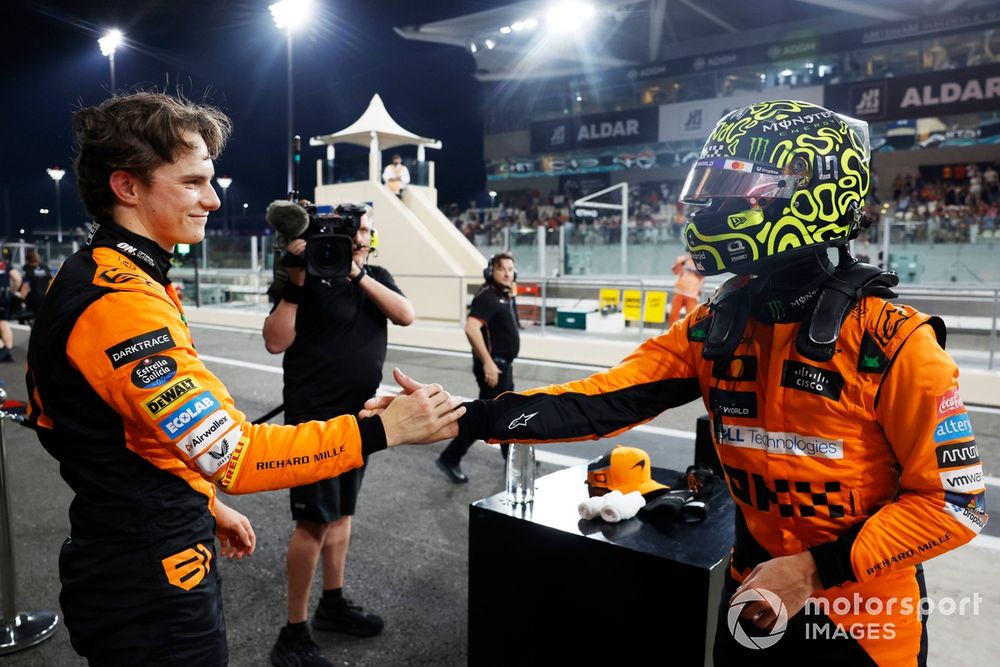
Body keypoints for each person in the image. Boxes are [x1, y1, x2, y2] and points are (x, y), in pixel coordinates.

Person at [370, 101, 988, 665]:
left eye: (730, 189)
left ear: (808, 194)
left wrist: (814, 569)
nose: (707, 208)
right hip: (754, 593)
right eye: (708, 189)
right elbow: (602, 400)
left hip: (865, 621)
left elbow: (957, 504)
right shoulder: (719, 322)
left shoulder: (893, 340)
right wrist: (461, 416)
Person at [24, 92, 463, 667]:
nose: (211, 198)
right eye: (192, 182)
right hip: (149, 581)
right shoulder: (120, 303)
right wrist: (387, 432)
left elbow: (137, 437)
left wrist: (202, 504)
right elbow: (239, 455)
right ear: (127, 187)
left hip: (134, 549)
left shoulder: (102, 271)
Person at [262, 203, 414, 666]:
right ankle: (293, 632)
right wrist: (295, 281)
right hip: (314, 422)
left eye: (365, 231)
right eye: (355, 231)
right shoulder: (302, 276)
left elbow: (405, 315)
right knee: (313, 523)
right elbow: (274, 340)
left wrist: (357, 274)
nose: (361, 238)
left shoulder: (375, 275)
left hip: (359, 418)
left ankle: (332, 603)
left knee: (342, 515)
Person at [435, 252, 520, 484]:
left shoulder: (503, 296)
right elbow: (471, 328)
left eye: (511, 269)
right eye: (501, 268)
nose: (507, 273)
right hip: (494, 368)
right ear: (490, 272)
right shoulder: (487, 296)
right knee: (488, 416)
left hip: (503, 367)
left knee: (504, 413)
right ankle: (450, 457)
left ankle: (511, 457)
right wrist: (488, 362)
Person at [668, 251, 703, 326]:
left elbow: (702, 276)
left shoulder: (700, 261)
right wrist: (683, 262)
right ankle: (672, 334)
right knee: (673, 315)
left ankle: (687, 335)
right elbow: (675, 271)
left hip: (692, 294)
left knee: (691, 318)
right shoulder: (681, 259)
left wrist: (694, 270)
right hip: (679, 292)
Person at [0, 253, 23, 361]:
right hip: (4, 297)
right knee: (3, 322)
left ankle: (2, 349)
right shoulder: (4, 265)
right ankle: (7, 351)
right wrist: (12, 291)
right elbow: (17, 279)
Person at [20, 248, 54, 315]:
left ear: (28, 260)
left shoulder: (27, 268)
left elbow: (25, 286)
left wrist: (21, 299)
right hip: (46, 298)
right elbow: (51, 281)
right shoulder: (45, 267)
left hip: (33, 300)